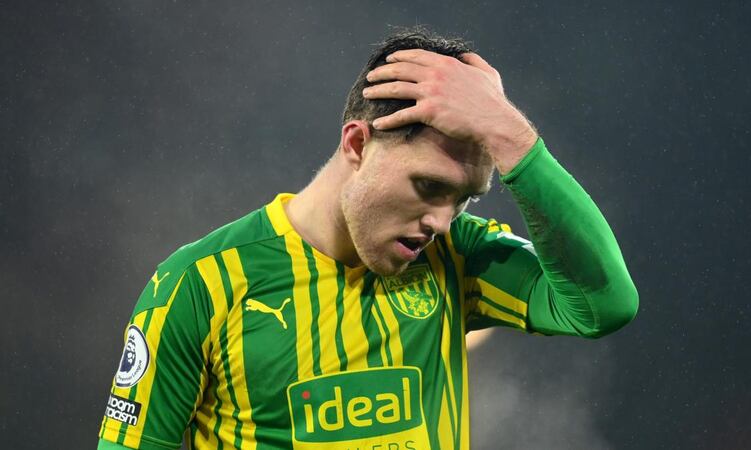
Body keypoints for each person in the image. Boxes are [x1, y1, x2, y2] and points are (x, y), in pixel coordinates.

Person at [98, 28, 639, 450]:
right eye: (430, 186)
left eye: (464, 198)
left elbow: (603, 306)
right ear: (357, 144)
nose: (442, 222)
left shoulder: (458, 257)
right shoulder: (200, 283)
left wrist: (513, 137)